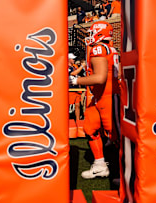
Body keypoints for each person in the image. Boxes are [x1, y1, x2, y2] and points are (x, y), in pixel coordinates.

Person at [69, 21, 120, 179]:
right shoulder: (110, 48)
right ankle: (99, 165)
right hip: (101, 96)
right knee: (90, 127)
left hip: (107, 96)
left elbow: (100, 77)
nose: (90, 36)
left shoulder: (99, 48)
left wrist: (75, 81)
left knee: (115, 136)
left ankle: (122, 172)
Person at [68, 53, 83, 121]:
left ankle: (78, 120)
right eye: (73, 59)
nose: (74, 60)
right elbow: (73, 73)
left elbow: (76, 75)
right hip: (70, 89)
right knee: (67, 106)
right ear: (69, 59)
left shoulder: (74, 67)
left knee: (78, 105)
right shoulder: (67, 67)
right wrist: (82, 66)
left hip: (76, 89)